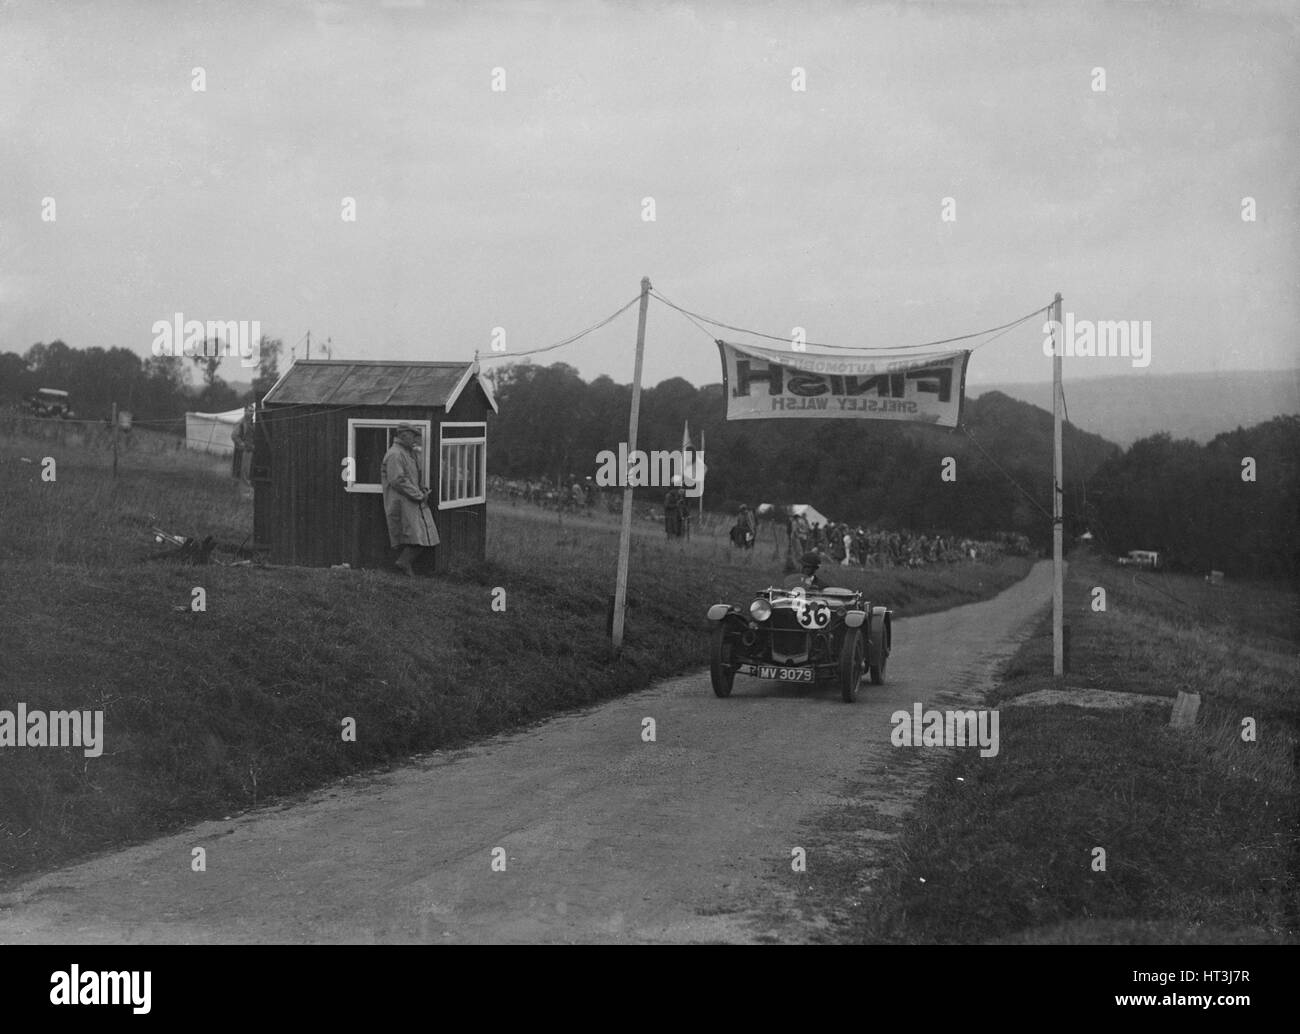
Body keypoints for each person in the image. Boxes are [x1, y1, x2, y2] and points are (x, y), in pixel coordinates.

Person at [382, 424, 439, 576]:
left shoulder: (408, 453)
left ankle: (404, 563)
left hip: (411, 501)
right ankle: (403, 563)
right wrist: (419, 495)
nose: (415, 439)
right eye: (413, 436)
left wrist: (422, 488)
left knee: (424, 536)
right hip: (403, 502)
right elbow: (398, 480)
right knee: (417, 536)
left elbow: (413, 477)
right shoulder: (395, 454)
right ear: (404, 435)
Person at [230, 404, 255, 481]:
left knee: (247, 472)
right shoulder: (241, 422)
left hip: (249, 450)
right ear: (245, 411)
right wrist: (242, 444)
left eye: (253, 411)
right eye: (250, 411)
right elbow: (234, 435)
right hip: (242, 451)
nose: (252, 413)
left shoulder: (251, 423)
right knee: (239, 471)